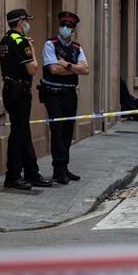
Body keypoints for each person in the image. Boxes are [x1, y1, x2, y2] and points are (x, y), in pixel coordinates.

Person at [0, 9, 52, 190]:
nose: (28, 24)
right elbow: (33, 69)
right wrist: (34, 52)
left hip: (10, 90)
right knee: (18, 134)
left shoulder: (5, 40)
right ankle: (13, 176)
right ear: (21, 22)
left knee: (23, 132)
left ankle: (31, 172)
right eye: (26, 21)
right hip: (19, 93)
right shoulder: (21, 42)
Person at [41, 11, 89, 185]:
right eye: (63, 25)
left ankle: (64, 167)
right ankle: (57, 170)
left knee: (68, 131)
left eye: (69, 26)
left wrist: (65, 64)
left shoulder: (77, 48)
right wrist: (74, 68)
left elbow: (86, 70)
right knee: (57, 131)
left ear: (73, 29)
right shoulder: (50, 44)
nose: (65, 28)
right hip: (53, 93)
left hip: (70, 94)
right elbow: (53, 70)